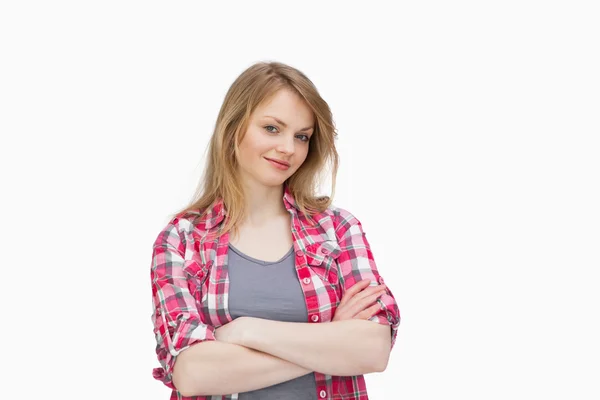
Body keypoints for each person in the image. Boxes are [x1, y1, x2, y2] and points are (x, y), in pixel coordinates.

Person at [149, 61, 401, 400]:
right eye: (271, 128)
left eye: (302, 137)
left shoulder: (337, 230)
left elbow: (372, 349)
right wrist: (330, 340)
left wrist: (245, 331)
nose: (288, 148)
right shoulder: (182, 240)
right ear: (233, 127)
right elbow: (193, 374)